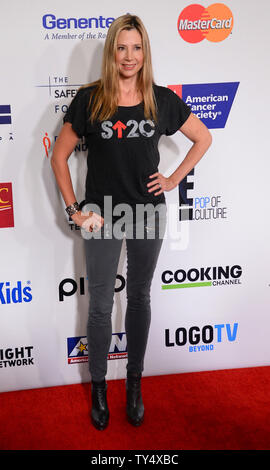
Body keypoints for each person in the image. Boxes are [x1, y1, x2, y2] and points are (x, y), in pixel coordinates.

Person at [51, 13, 212, 431]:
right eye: (121, 47)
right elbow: (58, 156)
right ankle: (100, 387)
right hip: (101, 214)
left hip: (148, 211)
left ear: (145, 52)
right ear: (112, 51)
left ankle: (135, 384)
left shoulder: (161, 99)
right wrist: (74, 210)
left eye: (136, 47)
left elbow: (203, 138)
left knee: (139, 298)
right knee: (102, 305)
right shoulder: (90, 99)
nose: (129, 56)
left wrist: (174, 178)